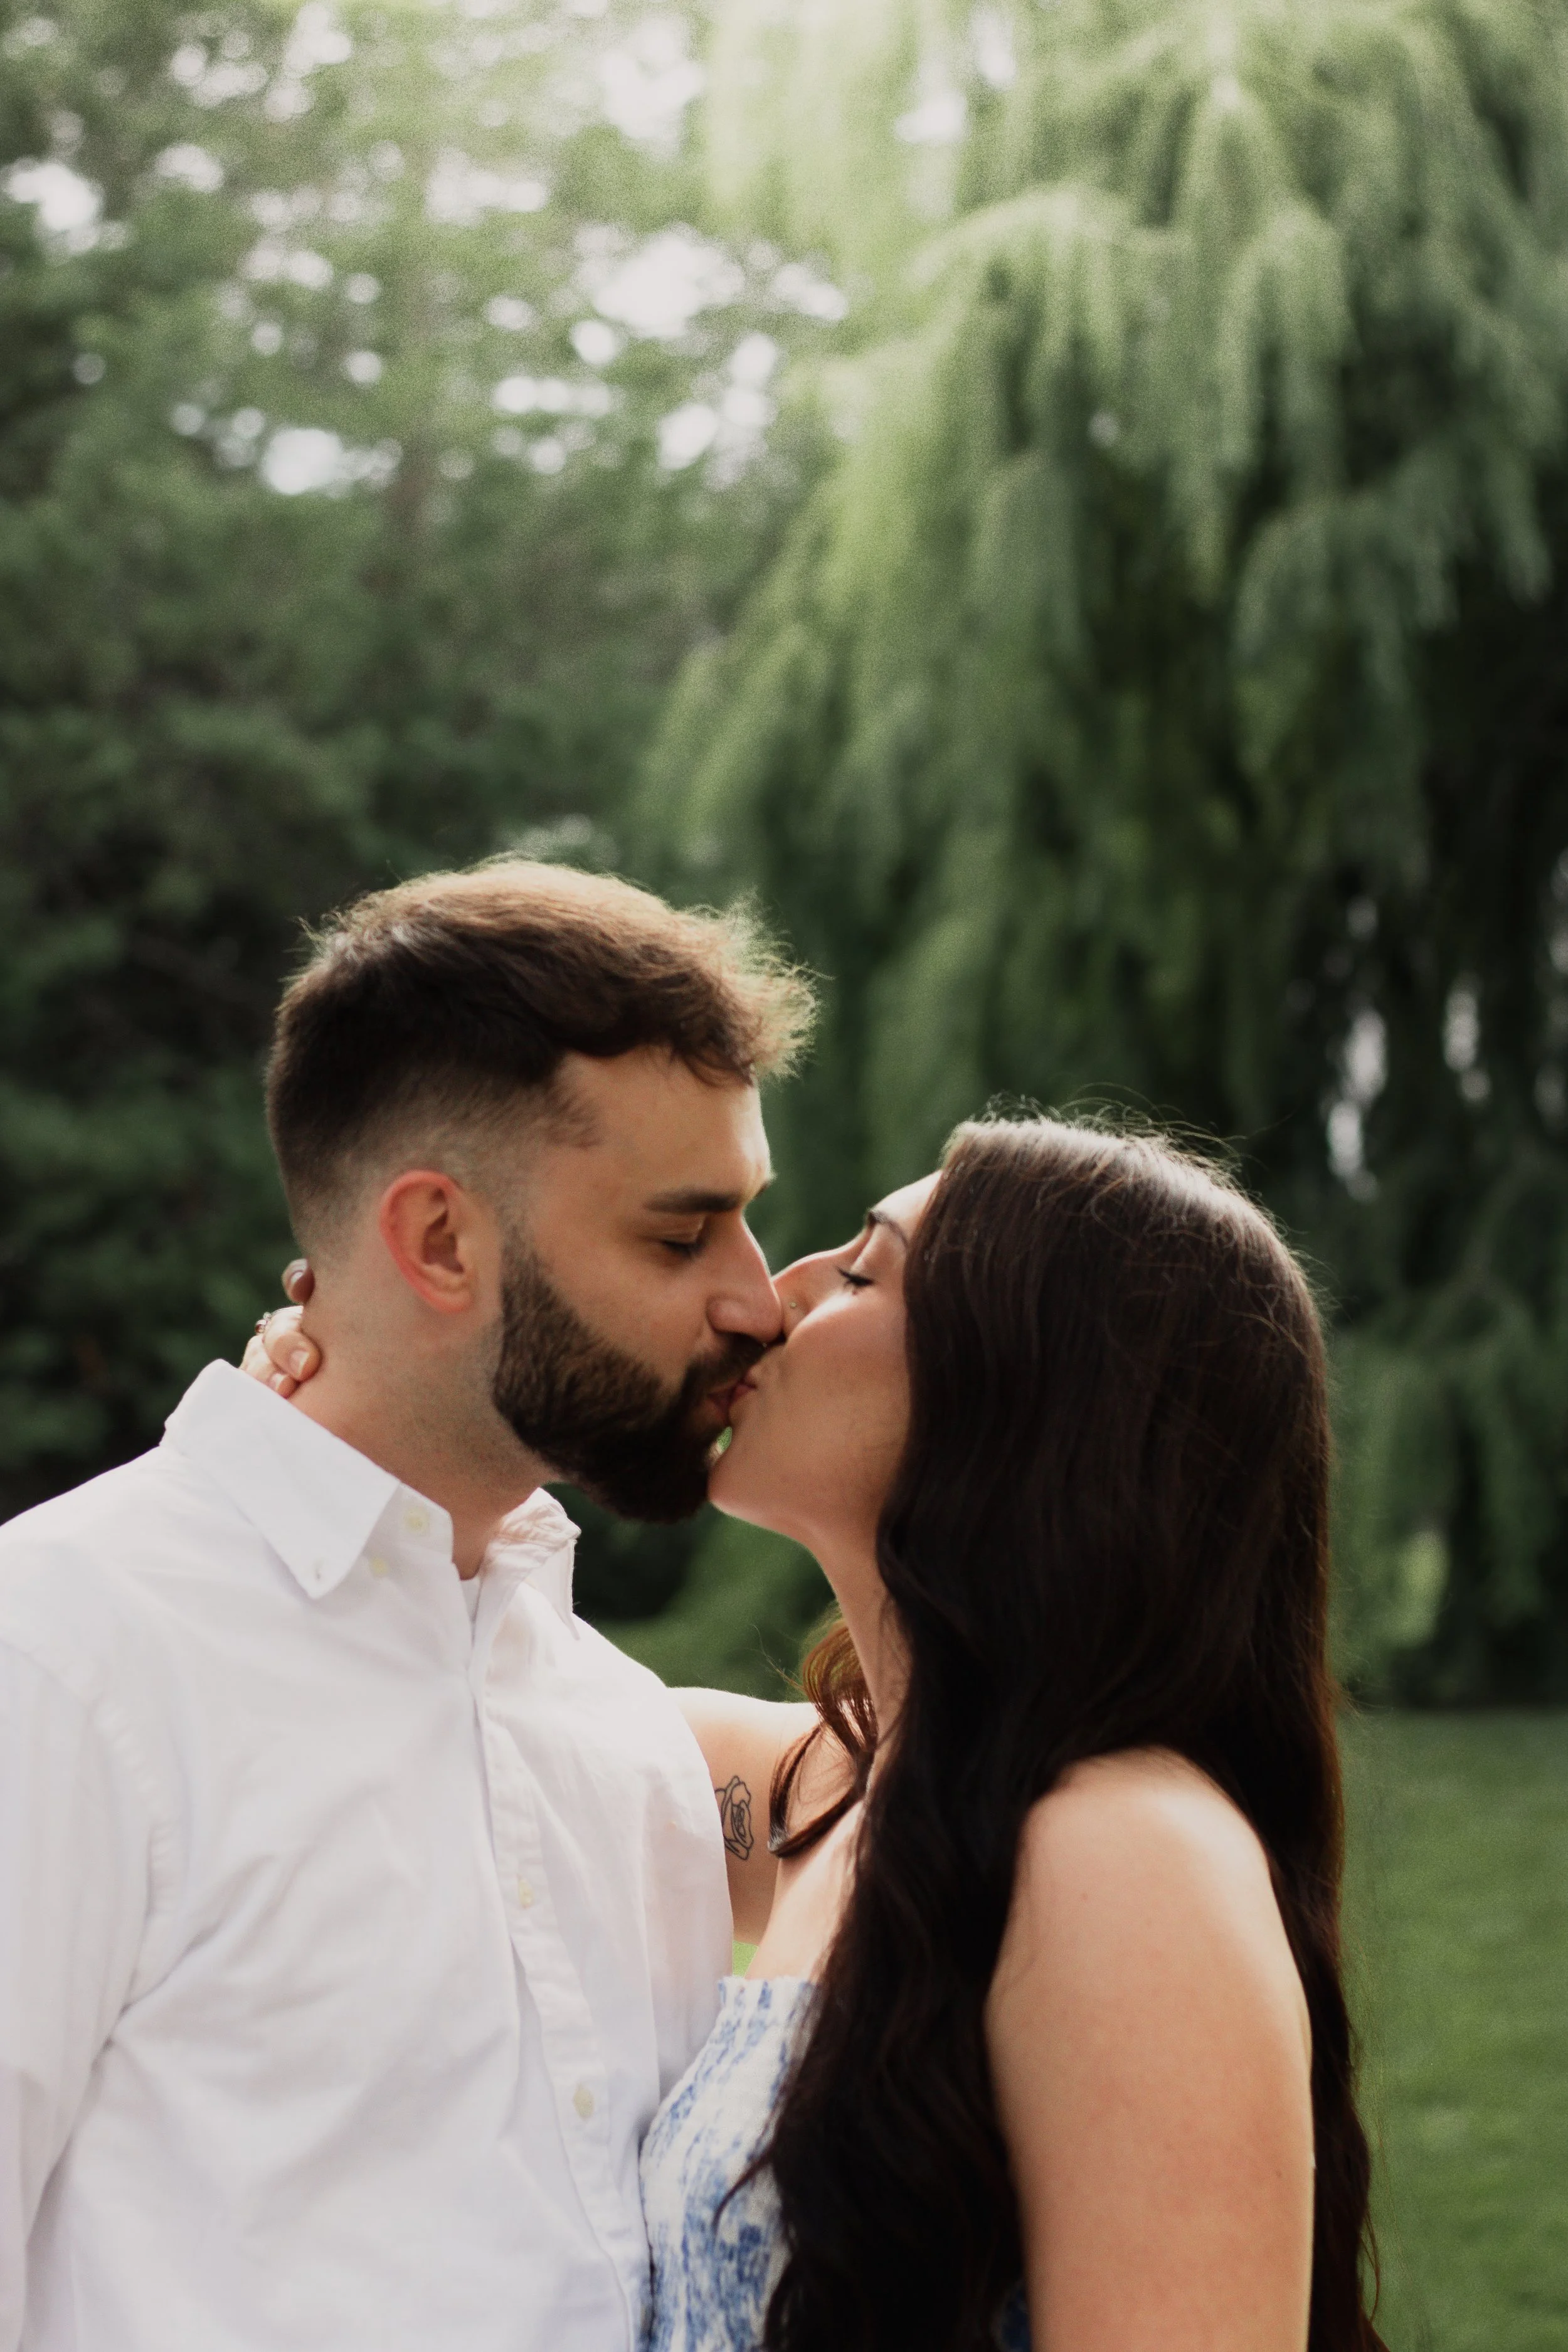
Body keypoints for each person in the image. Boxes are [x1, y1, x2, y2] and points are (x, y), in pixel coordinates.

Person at [262, 1114, 1389, 2351]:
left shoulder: (1121, 1855)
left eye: (860, 1272)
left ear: (1022, 1392)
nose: (768, 1295)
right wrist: (379, 1402)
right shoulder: (853, 1795)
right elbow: (498, 1712)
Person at [0, 858, 817, 2352]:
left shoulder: (609, 1730)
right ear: (439, 1241)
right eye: (677, 1234)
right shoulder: (57, 1662)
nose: (758, 1301)